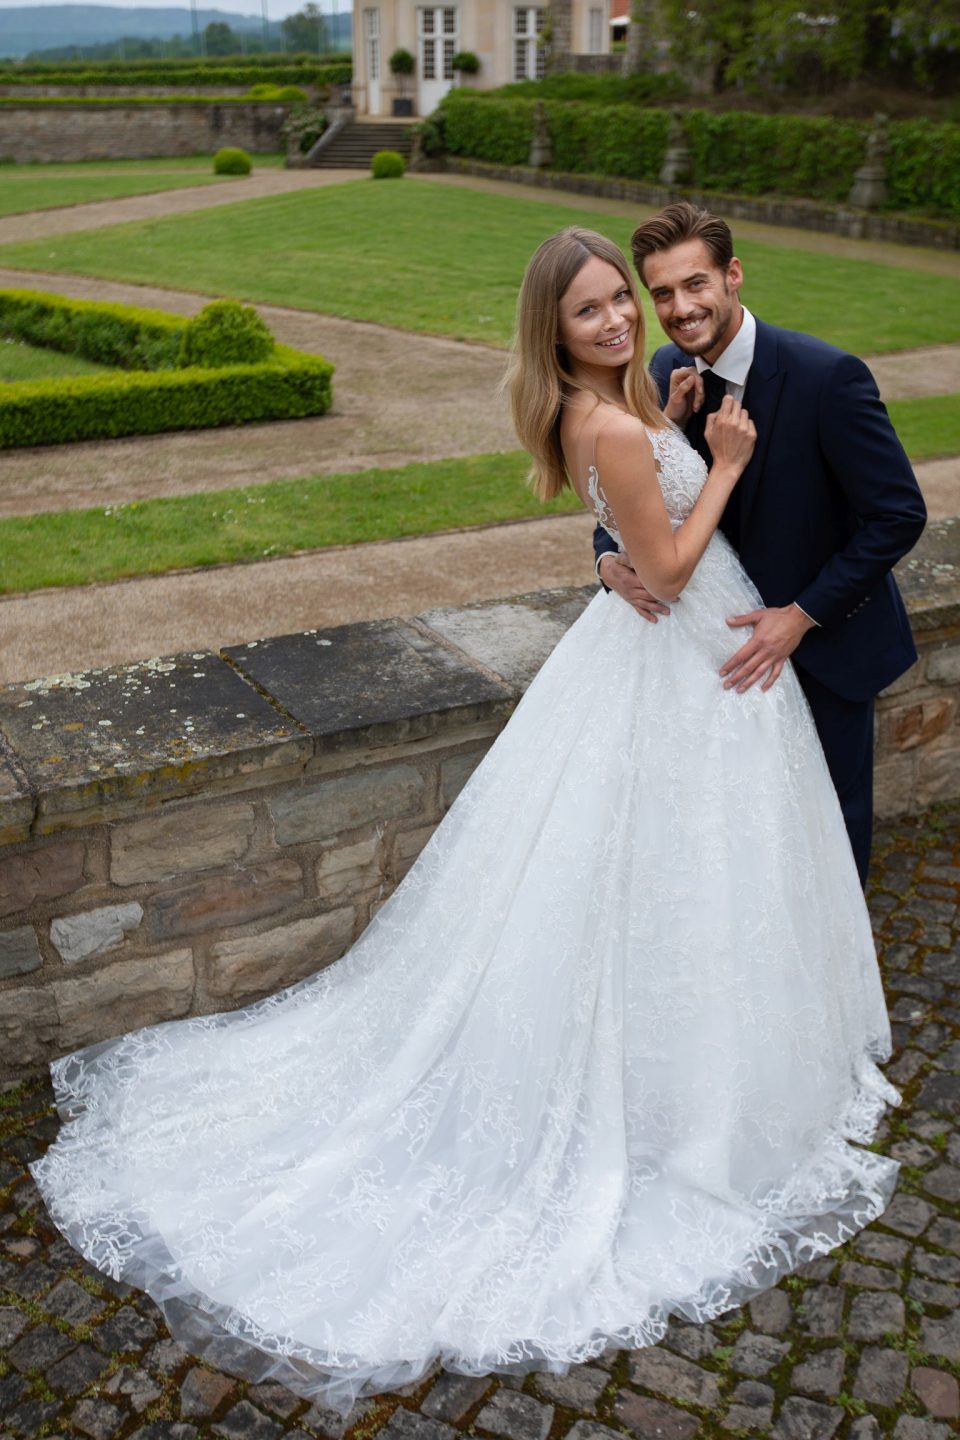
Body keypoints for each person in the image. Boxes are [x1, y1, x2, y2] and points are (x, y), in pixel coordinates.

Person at [31, 228, 900, 1419]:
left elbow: (649, 522)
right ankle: (675, 1100)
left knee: (689, 875)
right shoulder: (610, 418)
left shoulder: (641, 397)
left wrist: (667, 464)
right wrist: (724, 470)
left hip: (699, 660)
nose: (624, 319)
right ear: (554, 329)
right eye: (596, 309)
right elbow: (667, 561)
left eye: (626, 298)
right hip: (689, 649)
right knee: (661, 871)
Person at [594, 202, 927, 885]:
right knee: (736, 840)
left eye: (695, 283)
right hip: (710, 656)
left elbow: (898, 515)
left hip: (822, 653)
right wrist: (606, 558)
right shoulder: (664, 368)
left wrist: (800, 616)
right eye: (662, 292)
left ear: (733, 274)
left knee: (828, 836)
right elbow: (637, 489)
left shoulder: (828, 377)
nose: (681, 308)